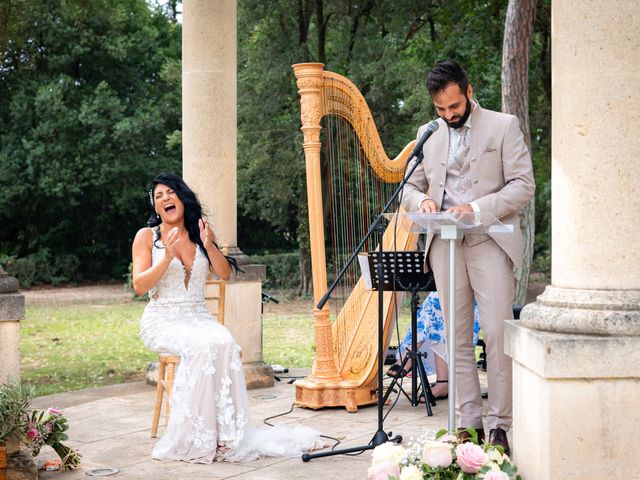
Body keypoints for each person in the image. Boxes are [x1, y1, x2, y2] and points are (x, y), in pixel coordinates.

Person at [132, 172, 324, 463]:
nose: (165, 198)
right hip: (163, 319)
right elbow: (139, 286)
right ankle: (196, 437)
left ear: (181, 198)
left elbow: (224, 274)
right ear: (155, 207)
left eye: (170, 192)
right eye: (159, 196)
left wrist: (209, 245)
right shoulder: (147, 237)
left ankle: (228, 435)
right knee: (201, 347)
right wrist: (168, 257)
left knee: (224, 342)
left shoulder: (200, 232)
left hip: (198, 317)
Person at [401, 61, 535, 454]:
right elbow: (409, 186)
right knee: (454, 335)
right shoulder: (428, 134)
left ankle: (500, 427)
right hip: (444, 244)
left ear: (469, 91)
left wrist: (476, 208)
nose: (448, 115)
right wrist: (422, 199)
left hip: (489, 240)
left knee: (495, 333)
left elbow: (523, 184)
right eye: (441, 109)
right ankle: (468, 424)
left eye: (454, 106)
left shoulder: (503, 125)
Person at [386, 291, 480, 400]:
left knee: (439, 300)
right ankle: (442, 382)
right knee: (438, 298)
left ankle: (409, 354)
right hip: (460, 293)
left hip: (482, 297)